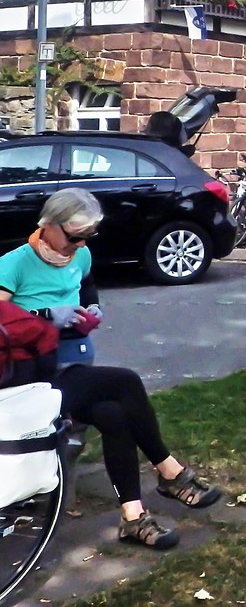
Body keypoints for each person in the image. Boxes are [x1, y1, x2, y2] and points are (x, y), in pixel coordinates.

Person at [0, 188, 225, 551]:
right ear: (48, 225)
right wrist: (45, 317)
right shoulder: (14, 263)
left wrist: (92, 308)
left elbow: (86, 285)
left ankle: (133, 517)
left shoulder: (80, 255)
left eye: (88, 236)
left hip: (69, 370)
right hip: (27, 382)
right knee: (126, 382)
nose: (79, 244)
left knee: (113, 413)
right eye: (74, 236)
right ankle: (170, 472)